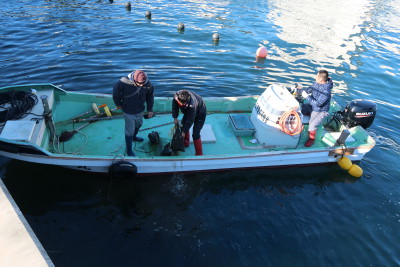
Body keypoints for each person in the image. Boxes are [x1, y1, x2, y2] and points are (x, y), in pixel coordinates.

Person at [113, 70, 154, 156]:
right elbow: (116, 92)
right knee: (129, 131)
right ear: (134, 80)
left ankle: (134, 137)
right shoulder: (123, 82)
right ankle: (129, 150)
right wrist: (118, 104)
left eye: (143, 83)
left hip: (140, 110)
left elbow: (150, 96)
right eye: (140, 84)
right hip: (128, 110)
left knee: (138, 124)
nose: (142, 85)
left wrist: (150, 109)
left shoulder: (148, 84)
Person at [297, 70, 333, 147]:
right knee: (297, 109)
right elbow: (309, 89)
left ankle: (311, 139)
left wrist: (306, 96)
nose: (315, 77)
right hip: (311, 106)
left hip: (320, 111)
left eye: (317, 76)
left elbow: (318, 104)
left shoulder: (326, 91)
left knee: (312, 126)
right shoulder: (317, 84)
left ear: (320, 79)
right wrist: (298, 91)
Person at [172, 90, 206, 156]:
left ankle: (199, 153)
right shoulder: (176, 97)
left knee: (195, 134)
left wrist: (184, 131)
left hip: (200, 112)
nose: (181, 105)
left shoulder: (192, 105)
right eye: (180, 104)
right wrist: (175, 117)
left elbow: (189, 120)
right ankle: (186, 142)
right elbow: (174, 106)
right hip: (188, 111)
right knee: (182, 126)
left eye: (184, 104)